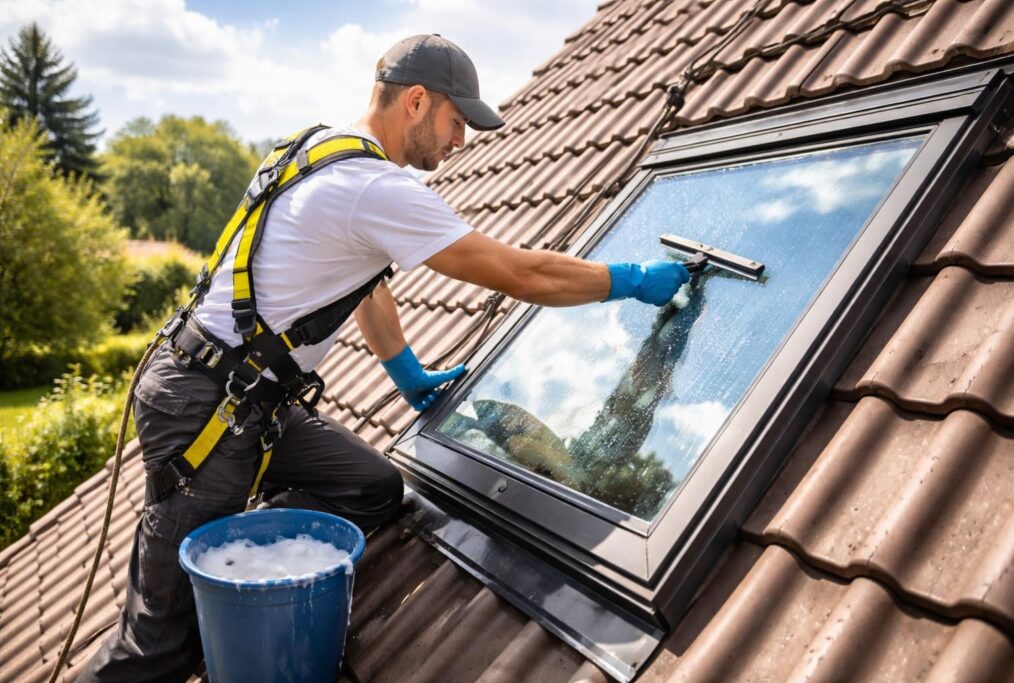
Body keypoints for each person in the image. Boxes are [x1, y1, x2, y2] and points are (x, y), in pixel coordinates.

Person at [78, 34, 688, 682]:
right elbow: (522, 274)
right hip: (210, 408)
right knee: (155, 648)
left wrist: (406, 372)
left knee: (371, 486)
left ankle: (234, 564)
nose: (460, 142)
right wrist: (631, 280)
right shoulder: (373, 188)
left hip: (239, 397)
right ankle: (211, 598)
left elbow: (365, 284)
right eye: (457, 122)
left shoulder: (318, 148)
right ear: (418, 101)